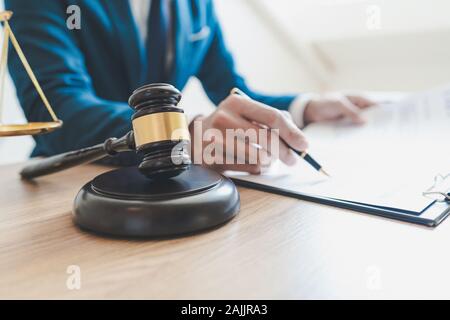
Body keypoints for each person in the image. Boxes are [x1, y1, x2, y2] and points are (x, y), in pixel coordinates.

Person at [5, 0, 374, 173]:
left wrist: (307, 106)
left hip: (167, 181)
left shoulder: (198, 5)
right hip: (72, 178)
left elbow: (233, 92)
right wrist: (183, 132)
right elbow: (57, 110)